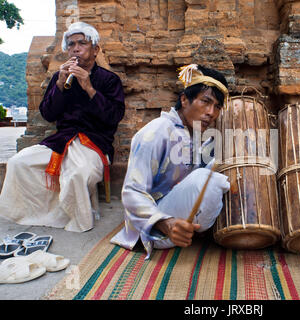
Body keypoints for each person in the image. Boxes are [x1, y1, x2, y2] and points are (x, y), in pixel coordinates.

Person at [0, 22, 125, 232]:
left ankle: (76, 219)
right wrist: (58, 85)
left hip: (94, 144)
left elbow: (113, 117)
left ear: (95, 50)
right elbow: (48, 114)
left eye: (82, 43)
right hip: (61, 141)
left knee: (76, 174)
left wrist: (89, 88)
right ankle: (38, 214)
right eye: (71, 44)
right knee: (18, 163)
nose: (75, 48)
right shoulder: (61, 78)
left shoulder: (109, 80)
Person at [111, 64, 230, 259]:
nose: (212, 112)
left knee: (221, 163)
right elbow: (132, 192)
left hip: (178, 213)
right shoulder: (156, 131)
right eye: (205, 102)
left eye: (217, 106)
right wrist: (166, 223)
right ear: (184, 99)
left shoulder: (194, 133)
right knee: (209, 180)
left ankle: (192, 229)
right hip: (156, 227)